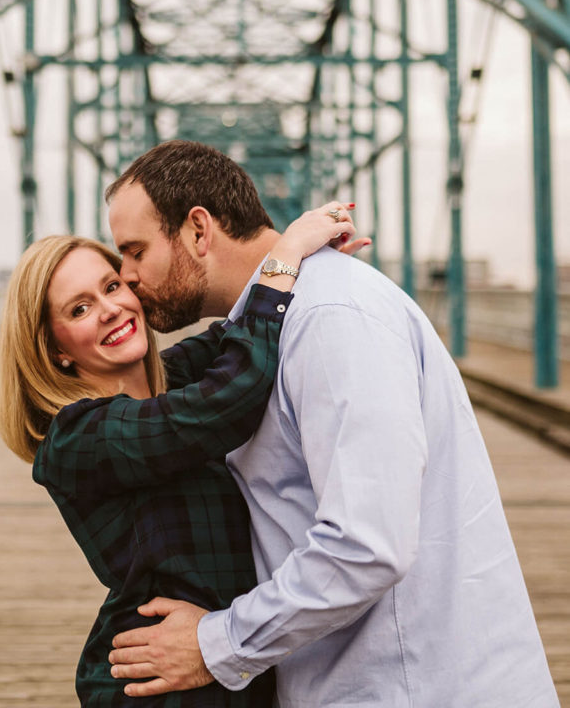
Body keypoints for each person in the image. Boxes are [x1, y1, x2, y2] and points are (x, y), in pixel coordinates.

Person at [106, 140, 559, 708]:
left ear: (199, 230)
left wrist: (215, 644)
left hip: (410, 687)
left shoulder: (329, 317)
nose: (125, 277)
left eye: (134, 250)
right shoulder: (277, 318)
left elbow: (366, 544)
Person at [0, 205, 360, 707]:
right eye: (78, 309)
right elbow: (228, 399)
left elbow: (238, 327)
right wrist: (286, 252)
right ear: (55, 348)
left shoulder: (167, 381)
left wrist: (312, 272)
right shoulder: (76, 438)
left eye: (112, 286)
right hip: (157, 681)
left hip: (222, 662)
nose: (109, 309)